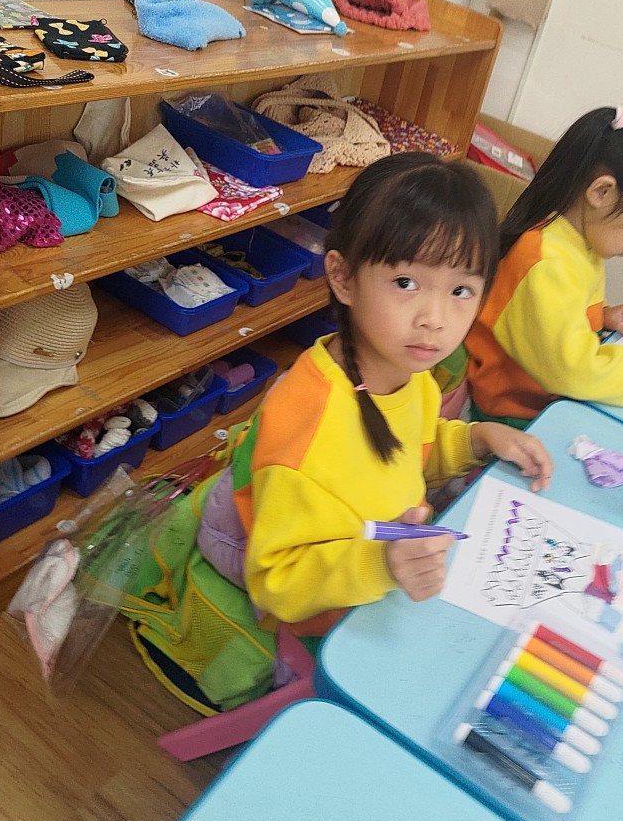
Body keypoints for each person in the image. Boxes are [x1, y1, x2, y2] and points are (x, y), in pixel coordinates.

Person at [205, 152, 554, 637]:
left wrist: (476, 440)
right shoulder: (308, 425)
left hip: (383, 575)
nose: (435, 319)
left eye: (460, 291)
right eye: (406, 283)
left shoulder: (410, 373)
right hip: (322, 615)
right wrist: (381, 562)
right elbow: (275, 583)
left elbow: (405, 457)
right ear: (343, 277)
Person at [465, 100, 623, 427]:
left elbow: (550, 321)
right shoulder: (549, 262)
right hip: (510, 415)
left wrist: (602, 316)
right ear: (601, 192)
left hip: (542, 400)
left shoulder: (575, 243)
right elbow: (576, 373)